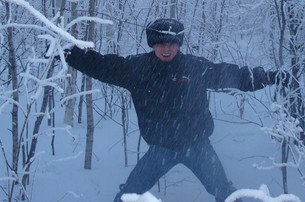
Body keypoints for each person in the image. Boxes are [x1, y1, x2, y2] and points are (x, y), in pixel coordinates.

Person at [65, 18, 289, 202]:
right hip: (160, 150)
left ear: (179, 44)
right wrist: (66, 52)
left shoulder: (194, 67)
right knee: (127, 197)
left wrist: (270, 77)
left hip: (198, 147)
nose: (167, 48)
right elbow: (101, 65)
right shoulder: (137, 69)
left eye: (172, 43)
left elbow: (234, 76)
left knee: (226, 194)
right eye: (161, 43)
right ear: (153, 44)